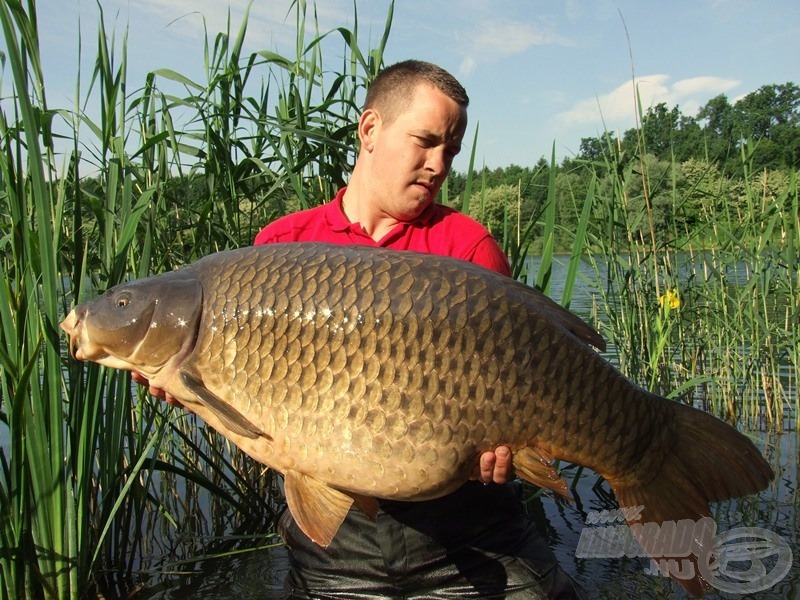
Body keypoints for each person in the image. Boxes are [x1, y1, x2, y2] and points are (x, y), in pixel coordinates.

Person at [137, 59, 583, 599]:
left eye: (451, 150)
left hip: (472, 542)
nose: (439, 164)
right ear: (369, 129)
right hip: (338, 555)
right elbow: (256, 409)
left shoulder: (466, 249)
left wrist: (503, 459)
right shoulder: (281, 247)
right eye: (425, 141)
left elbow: (515, 393)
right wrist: (196, 389)